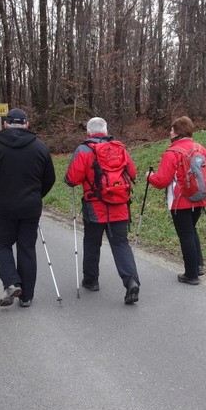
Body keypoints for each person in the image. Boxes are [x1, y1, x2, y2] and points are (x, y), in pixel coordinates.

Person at [0, 108, 56, 307]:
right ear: (27, 124)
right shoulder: (39, 147)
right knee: (27, 248)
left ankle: (11, 282)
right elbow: (50, 178)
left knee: (2, 245)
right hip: (30, 208)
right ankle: (27, 296)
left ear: (5, 124)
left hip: (4, 208)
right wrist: (37, 195)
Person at [65, 117, 140, 304]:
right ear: (106, 130)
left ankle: (91, 281)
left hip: (95, 208)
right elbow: (133, 173)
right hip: (120, 206)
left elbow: (72, 179)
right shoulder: (119, 148)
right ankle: (131, 280)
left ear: (88, 132)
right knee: (121, 244)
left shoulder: (84, 150)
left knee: (92, 243)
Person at [147, 116, 206, 285]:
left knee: (185, 233)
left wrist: (149, 177)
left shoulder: (172, 152)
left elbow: (161, 181)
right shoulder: (201, 149)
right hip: (200, 198)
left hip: (180, 201)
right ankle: (198, 265)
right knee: (191, 229)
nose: (169, 133)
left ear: (177, 132)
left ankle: (191, 274)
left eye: (171, 130)